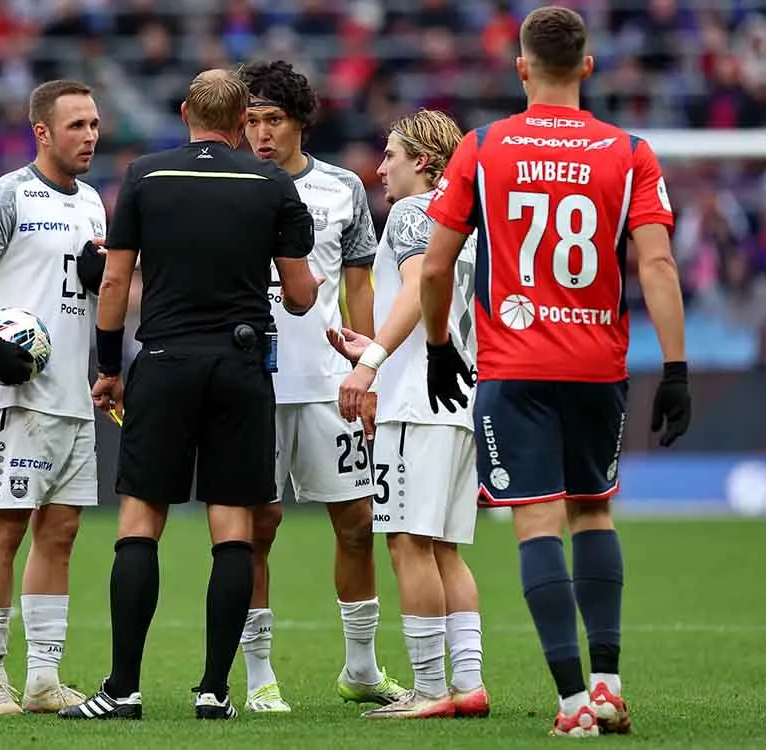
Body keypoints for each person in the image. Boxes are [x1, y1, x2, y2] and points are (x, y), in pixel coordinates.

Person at [419, 7, 690, 737]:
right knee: (594, 510)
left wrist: (440, 344)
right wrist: (675, 367)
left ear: (522, 68)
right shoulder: (629, 152)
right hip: (597, 366)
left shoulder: (483, 147)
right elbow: (658, 264)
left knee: (536, 522)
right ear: (588, 66)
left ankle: (572, 706)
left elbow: (436, 266)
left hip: (514, 366)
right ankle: (608, 688)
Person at [60, 68, 319, 722]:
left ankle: (122, 690)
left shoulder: (145, 175)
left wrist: (110, 367)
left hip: (165, 362)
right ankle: (214, 690)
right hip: (240, 367)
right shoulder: (272, 182)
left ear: (185, 113)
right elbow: (299, 296)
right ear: (241, 121)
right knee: (232, 528)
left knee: (139, 522)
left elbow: (113, 283)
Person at [237, 59, 406, 714]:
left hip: (331, 385)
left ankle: (361, 669)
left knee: (358, 524)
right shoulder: (232, 184)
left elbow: (359, 284)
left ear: (301, 121)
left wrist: (369, 368)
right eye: (251, 120)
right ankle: (259, 678)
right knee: (258, 527)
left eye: (273, 119)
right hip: (252, 384)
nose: (261, 133)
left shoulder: (342, 189)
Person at [0, 79, 108, 716]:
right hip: (16, 393)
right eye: (76, 126)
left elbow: (87, 295)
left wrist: (101, 282)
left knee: (61, 533)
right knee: (5, 531)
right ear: (42, 132)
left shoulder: (93, 203)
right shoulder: (8, 195)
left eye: (94, 125)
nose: (90, 136)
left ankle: (43, 678)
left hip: (73, 394)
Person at [333, 109, 489, 719]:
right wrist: (375, 348)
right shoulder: (472, 221)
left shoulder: (412, 213)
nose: (381, 168)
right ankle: (469, 684)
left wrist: (371, 362)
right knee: (447, 549)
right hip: (462, 398)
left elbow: (418, 286)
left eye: (392, 155)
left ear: (422, 162)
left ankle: (429, 690)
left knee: (407, 543)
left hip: (417, 403)